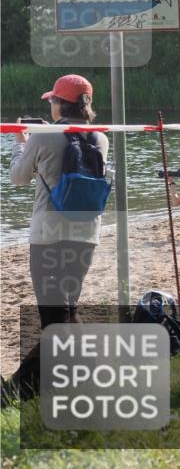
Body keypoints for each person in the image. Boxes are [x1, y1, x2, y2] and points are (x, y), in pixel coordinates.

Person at [5, 74, 109, 403]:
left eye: (52, 100)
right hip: (86, 234)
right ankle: (28, 385)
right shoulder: (100, 138)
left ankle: (25, 388)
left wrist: (20, 143)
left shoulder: (44, 136)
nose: (50, 105)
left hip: (49, 236)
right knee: (65, 309)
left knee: (55, 315)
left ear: (60, 103)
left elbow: (18, 178)